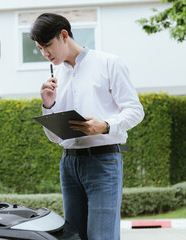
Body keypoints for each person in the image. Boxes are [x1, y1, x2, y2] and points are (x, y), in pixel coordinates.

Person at [29, 13, 144, 240]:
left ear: (64, 35)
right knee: (74, 237)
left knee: (102, 236)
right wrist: (48, 104)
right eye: (40, 48)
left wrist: (105, 125)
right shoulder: (57, 76)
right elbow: (54, 137)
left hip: (103, 161)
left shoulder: (108, 62)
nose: (45, 54)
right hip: (69, 163)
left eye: (48, 46)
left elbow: (135, 110)